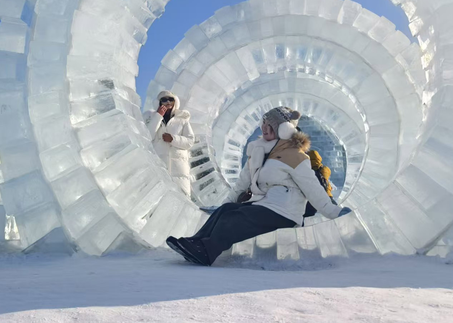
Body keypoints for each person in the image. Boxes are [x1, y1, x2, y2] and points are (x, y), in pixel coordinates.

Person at [166, 107, 352, 266]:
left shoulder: (296, 156)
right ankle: (195, 243)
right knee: (226, 211)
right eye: (263, 123)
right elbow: (242, 183)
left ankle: (206, 252)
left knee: (235, 219)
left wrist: (334, 211)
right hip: (263, 205)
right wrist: (224, 204)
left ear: (283, 129)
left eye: (270, 124)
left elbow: (313, 188)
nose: (264, 128)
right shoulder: (259, 151)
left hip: (284, 212)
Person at [143, 91, 195, 197]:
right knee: (158, 199)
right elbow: (147, 136)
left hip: (179, 169)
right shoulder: (150, 117)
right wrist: (158, 116)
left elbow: (190, 141)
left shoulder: (182, 120)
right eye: (164, 100)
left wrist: (173, 139)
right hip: (159, 165)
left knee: (181, 200)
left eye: (171, 99)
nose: (168, 102)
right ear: (159, 102)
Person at [303, 150, 337, 218]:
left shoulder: (308, 171)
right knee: (334, 211)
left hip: (314, 197)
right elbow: (327, 174)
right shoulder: (324, 169)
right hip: (327, 195)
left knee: (307, 214)